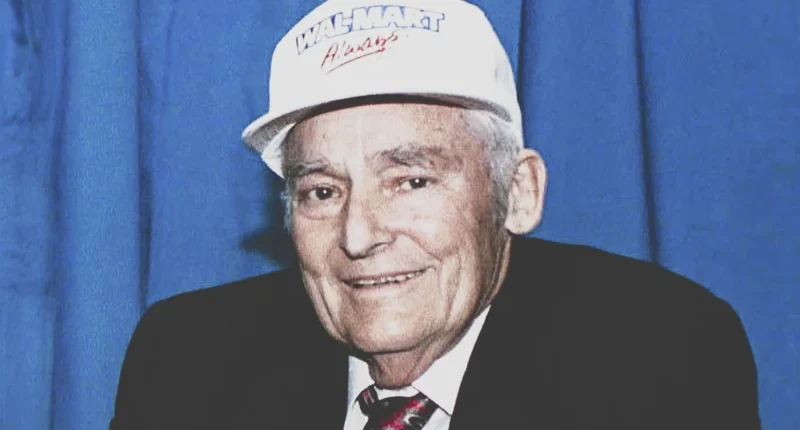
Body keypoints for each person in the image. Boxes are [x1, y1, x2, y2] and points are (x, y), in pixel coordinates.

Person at [110, 1, 761, 429]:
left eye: (411, 181)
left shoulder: (661, 359)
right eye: (322, 192)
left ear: (519, 192)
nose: (359, 235)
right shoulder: (186, 362)